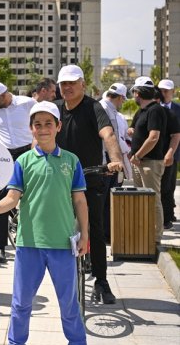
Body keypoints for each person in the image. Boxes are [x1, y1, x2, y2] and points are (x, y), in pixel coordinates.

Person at [0, 101, 95, 345]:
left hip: (62, 245)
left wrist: (85, 235)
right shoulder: (23, 162)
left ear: (58, 126)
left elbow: (80, 200)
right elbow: (12, 198)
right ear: (30, 129)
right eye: (37, 124)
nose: (42, 129)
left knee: (69, 303)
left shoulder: (71, 161)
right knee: (21, 302)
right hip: (29, 243)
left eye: (48, 123)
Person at [55, 65, 124, 303]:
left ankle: (102, 282)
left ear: (83, 84)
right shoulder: (54, 109)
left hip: (90, 178)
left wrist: (115, 160)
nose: (68, 87)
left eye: (72, 83)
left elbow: (108, 134)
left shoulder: (94, 107)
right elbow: (39, 138)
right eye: (64, 83)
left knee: (94, 228)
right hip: (59, 179)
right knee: (58, 228)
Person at [0, 81, 36, 264]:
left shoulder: (27, 103)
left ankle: (34, 242)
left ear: (3, 95)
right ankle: (0, 248)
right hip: (4, 155)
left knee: (32, 196)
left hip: (27, 152)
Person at [128, 77, 167, 245]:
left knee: (152, 198)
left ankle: (156, 236)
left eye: (135, 92)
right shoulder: (142, 111)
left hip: (149, 162)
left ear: (139, 93)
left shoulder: (155, 110)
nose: (134, 96)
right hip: (139, 162)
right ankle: (143, 232)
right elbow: (134, 128)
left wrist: (138, 155)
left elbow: (153, 137)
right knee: (140, 199)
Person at [99, 83, 132, 242]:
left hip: (111, 160)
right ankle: (104, 234)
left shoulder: (109, 109)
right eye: (123, 100)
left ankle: (107, 232)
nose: (122, 104)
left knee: (109, 198)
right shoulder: (103, 109)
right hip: (106, 162)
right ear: (119, 97)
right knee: (104, 200)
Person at [157, 79, 180, 228]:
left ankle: (169, 214)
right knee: (160, 186)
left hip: (173, 152)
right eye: (161, 91)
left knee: (169, 185)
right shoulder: (154, 108)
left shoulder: (177, 109)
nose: (164, 93)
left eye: (166, 91)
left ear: (173, 92)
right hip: (156, 153)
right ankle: (164, 216)